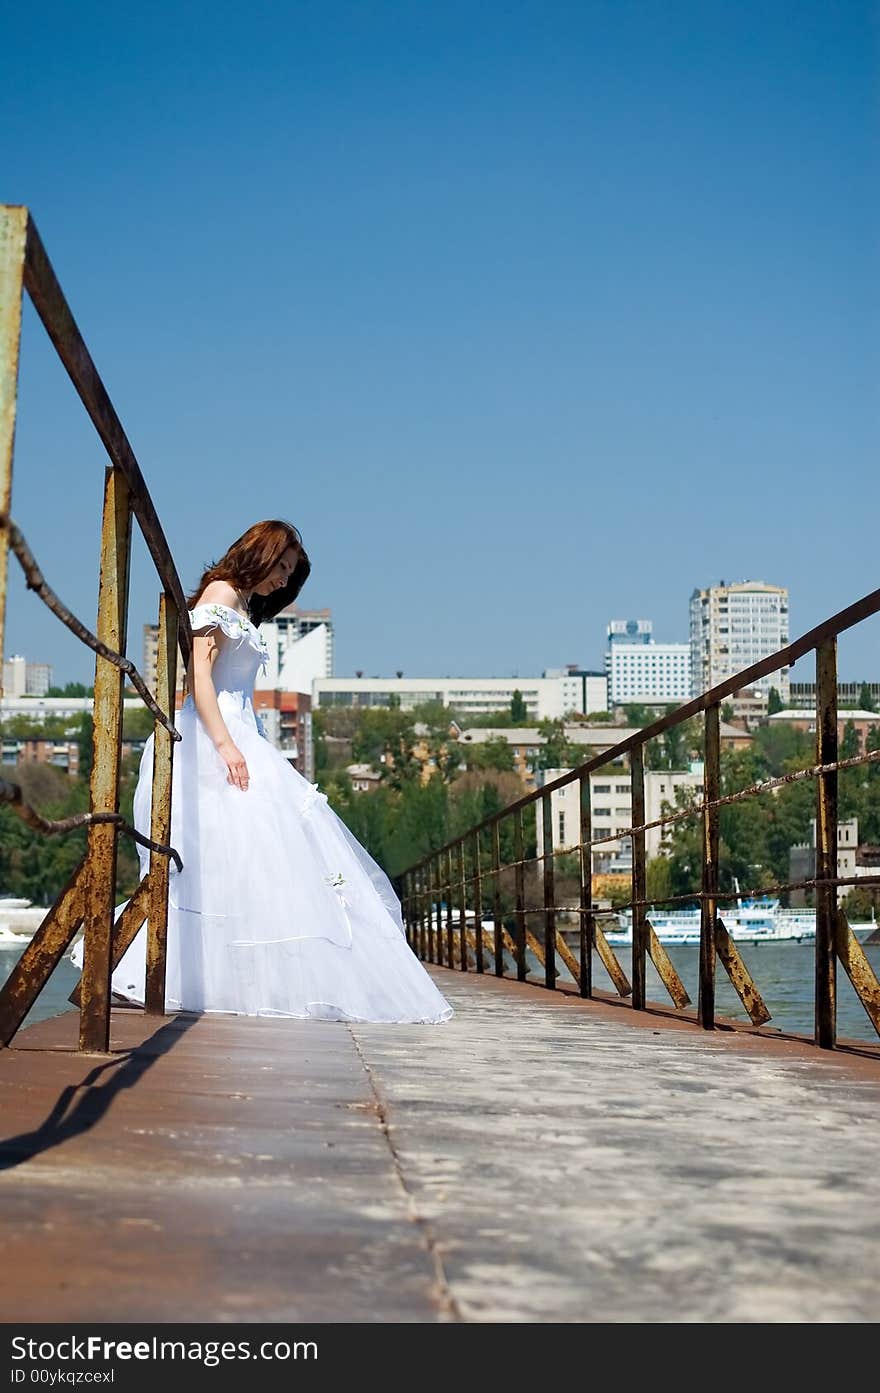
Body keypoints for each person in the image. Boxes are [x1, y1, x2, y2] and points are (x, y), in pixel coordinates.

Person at [72, 519, 453, 1024]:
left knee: (247, 866)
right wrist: (226, 746)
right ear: (261, 552)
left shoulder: (242, 605)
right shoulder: (219, 594)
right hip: (212, 741)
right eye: (282, 567)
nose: (283, 581)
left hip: (241, 736)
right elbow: (199, 679)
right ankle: (148, 973)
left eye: (290, 573)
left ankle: (215, 979)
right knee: (217, 866)